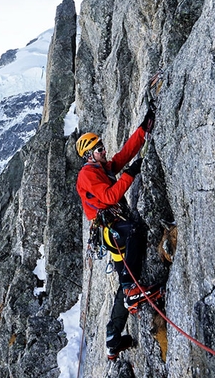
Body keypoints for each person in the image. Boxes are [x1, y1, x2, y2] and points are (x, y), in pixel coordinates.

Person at [76, 107, 159, 361]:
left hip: (112, 229)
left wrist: (143, 130)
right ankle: (133, 290)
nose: (103, 149)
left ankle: (113, 338)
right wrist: (132, 173)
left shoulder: (103, 168)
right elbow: (111, 196)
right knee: (136, 231)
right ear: (89, 154)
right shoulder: (87, 174)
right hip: (112, 230)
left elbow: (125, 153)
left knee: (124, 278)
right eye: (99, 148)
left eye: (101, 146)